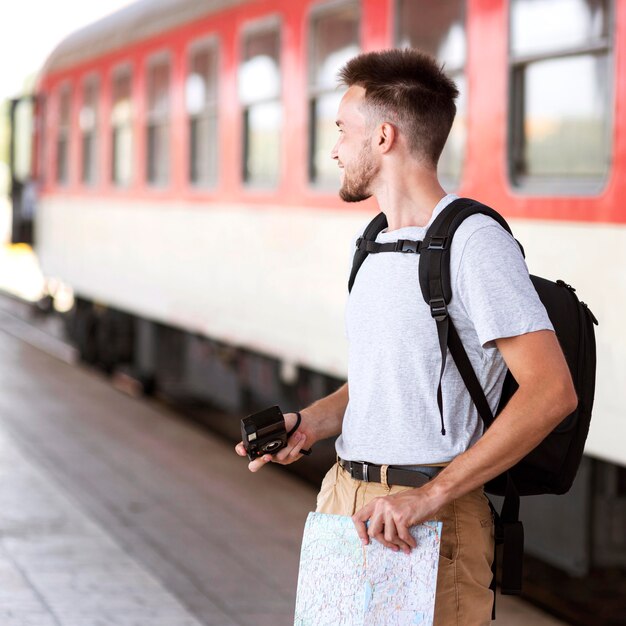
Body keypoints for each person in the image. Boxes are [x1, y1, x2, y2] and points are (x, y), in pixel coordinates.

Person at [235, 49, 577, 625]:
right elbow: (387, 374)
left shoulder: (474, 243)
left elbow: (550, 392)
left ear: (384, 137)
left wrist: (430, 496)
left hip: (428, 518)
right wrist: (312, 422)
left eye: (344, 131)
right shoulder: (370, 243)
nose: (336, 148)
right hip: (344, 503)